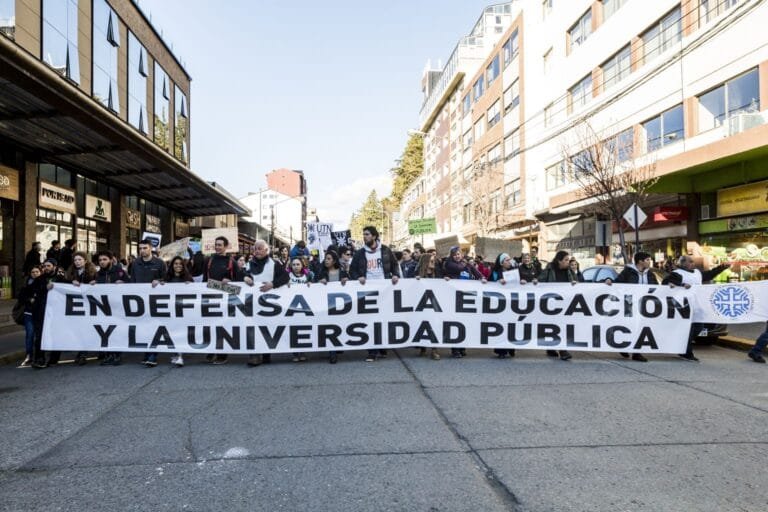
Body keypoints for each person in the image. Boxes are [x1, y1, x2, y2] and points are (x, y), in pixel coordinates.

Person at [662, 255, 730, 362]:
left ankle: (682, 346)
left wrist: (721, 267)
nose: (692, 263)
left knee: (698, 327)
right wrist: (682, 284)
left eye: (693, 261)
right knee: (689, 329)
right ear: (683, 263)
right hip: (683, 306)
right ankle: (686, 352)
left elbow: (709, 274)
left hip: (696, 306)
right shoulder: (677, 274)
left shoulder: (697, 273)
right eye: (690, 261)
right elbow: (666, 283)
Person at [349, 226, 400, 362]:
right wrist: (357, 277)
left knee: (383, 319)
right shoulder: (359, 253)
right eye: (363, 234)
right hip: (367, 292)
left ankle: (381, 346)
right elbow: (352, 270)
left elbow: (395, 265)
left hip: (384, 291)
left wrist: (395, 275)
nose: (364, 237)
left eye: (367, 234)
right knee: (370, 321)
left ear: (374, 236)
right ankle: (372, 351)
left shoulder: (385, 250)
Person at [606, 251, 659, 362]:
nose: (650, 262)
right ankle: (624, 345)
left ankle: (636, 353)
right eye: (648, 260)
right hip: (629, 304)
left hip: (644, 305)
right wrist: (608, 281)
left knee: (640, 328)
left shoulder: (650, 273)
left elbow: (657, 288)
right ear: (640, 261)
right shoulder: (628, 272)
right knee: (630, 326)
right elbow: (617, 283)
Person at [243, 240, 290, 366]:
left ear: (266, 250)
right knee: (253, 328)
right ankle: (254, 355)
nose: (257, 251)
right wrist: (245, 277)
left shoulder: (274, 264)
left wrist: (273, 284)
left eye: (259, 248)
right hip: (252, 303)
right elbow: (242, 274)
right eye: (255, 249)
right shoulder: (249, 264)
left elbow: (285, 277)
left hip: (269, 303)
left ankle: (266, 354)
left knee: (267, 327)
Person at [55, 252, 98, 366]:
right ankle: (81, 352)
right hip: (75, 305)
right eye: (75, 260)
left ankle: (83, 354)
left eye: (79, 259)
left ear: (85, 260)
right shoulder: (70, 272)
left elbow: (100, 284)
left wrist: (95, 283)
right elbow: (62, 283)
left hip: (89, 305)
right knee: (79, 329)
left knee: (86, 329)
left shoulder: (93, 272)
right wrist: (70, 282)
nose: (77, 262)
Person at [443, 246, 485, 358]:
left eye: (459, 254)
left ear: (461, 255)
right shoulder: (449, 264)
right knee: (455, 323)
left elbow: (475, 272)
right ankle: (455, 349)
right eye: (455, 254)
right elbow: (459, 269)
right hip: (454, 297)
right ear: (452, 256)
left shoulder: (466, 264)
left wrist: (482, 277)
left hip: (466, 297)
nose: (457, 256)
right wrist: (467, 264)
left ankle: (462, 347)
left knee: (465, 323)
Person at [130, 240, 166, 367]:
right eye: (140, 248)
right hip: (140, 301)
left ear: (151, 248)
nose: (142, 250)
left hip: (155, 301)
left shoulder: (160, 263)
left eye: (145, 248)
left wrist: (160, 280)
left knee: (154, 327)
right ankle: (147, 352)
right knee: (143, 328)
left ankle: (153, 354)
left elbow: (166, 280)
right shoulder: (135, 263)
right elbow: (132, 282)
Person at [203, 236, 236, 364]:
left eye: (220, 245)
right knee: (210, 325)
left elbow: (238, 283)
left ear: (226, 247)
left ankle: (223, 354)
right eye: (216, 244)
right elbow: (204, 280)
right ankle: (211, 351)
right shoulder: (208, 260)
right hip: (210, 298)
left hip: (226, 299)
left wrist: (230, 281)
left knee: (223, 326)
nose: (217, 247)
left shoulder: (231, 261)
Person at [538, 251, 575, 361]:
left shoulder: (569, 271)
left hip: (565, 303)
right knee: (553, 326)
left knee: (562, 326)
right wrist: (534, 282)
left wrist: (575, 284)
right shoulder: (549, 270)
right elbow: (540, 281)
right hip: (551, 304)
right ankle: (558, 349)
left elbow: (578, 282)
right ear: (559, 260)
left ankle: (559, 349)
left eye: (568, 260)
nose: (568, 262)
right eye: (566, 260)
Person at [29, 258, 66, 369]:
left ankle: (54, 357)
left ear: (54, 266)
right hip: (41, 312)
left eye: (48, 266)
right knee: (39, 336)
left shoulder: (61, 279)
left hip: (56, 312)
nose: (46, 268)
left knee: (55, 334)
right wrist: (45, 288)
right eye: (44, 266)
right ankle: (39, 359)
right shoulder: (39, 279)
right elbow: (32, 291)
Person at [93, 250, 128, 366]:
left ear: (111, 260)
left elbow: (131, 285)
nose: (102, 262)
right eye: (100, 260)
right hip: (104, 308)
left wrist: (123, 283)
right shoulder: (98, 274)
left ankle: (117, 355)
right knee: (106, 330)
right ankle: (109, 354)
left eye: (104, 259)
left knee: (116, 330)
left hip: (118, 307)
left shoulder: (119, 272)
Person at [315, 250, 350, 364]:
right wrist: (319, 282)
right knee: (330, 327)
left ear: (334, 260)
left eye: (329, 258)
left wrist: (347, 280)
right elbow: (313, 283)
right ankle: (332, 352)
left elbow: (351, 284)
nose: (326, 260)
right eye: (326, 258)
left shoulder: (342, 272)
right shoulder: (321, 272)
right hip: (326, 306)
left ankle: (337, 347)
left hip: (340, 306)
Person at [164, 256, 194, 367]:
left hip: (183, 310)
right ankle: (175, 353)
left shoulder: (188, 278)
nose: (178, 266)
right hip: (171, 310)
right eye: (175, 263)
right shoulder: (167, 278)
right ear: (172, 265)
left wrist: (190, 286)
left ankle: (180, 355)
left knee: (181, 332)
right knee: (172, 332)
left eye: (180, 264)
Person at [489, 253, 517, 359]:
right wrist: (497, 282)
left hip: (512, 304)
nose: (509, 261)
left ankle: (510, 348)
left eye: (510, 259)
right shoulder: (495, 273)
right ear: (501, 263)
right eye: (507, 260)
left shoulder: (514, 272)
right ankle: (501, 350)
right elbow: (488, 285)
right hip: (499, 305)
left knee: (511, 327)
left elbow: (519, 284)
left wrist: (523, 282)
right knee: (500, 327)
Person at [414, 253, 441, 360]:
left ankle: (434, 350)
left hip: (434, 304)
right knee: (422, 325)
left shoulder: (438, 272)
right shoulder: (417, 272)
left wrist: (447, 280)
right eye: (431, 261)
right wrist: (415, 281)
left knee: (434, 326)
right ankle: (422, 347)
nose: (433, 262)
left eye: (434, 260)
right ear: (425, 262)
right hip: (422, 304)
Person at [17, 267, 42, 368]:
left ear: (40, 272)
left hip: (40, 314)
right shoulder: (26, 285)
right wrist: (29, 300)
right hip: (29, 313)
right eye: (33, 272)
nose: (35, 273)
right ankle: (29, 355)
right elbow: (21, 298)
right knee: (30, 334)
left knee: (39, 335)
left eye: (37, 272)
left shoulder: (43, 283)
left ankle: (39, 355)